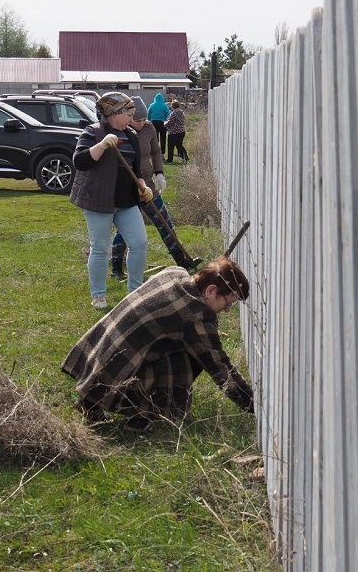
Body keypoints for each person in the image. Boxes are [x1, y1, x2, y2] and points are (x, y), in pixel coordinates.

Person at [62, 256, 254, 432]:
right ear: (211, 291)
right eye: (229, 302)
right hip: (116, 380)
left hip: (96, 361)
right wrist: (253, 405)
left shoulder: (175, 273)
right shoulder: (196, 315)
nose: (228, 310)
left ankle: (90, 403)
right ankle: (141, 417)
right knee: (195, 357)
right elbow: (218, 366)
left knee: (180, 346)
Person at [70, 92, 153, 310]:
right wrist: (103, 145)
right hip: (99, 200)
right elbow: (80, 162)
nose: (131, 118)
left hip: (127, 202)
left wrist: (143, 186)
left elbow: (136, 169)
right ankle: (98, 296)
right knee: (100, 248)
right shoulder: (92, 132)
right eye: (128, 114)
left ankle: (134, 294)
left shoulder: (131, 135)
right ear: (114, 113)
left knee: (139, 243)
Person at [110, 97, 202, 277]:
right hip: (128, 188)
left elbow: (156, 151)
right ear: (129, 118)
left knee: (164, 221)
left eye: (144, 120)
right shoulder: (121, 132)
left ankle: (181, 259)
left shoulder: (149, 129)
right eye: (138, 120)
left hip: (148, 186)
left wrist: (159, 172)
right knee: (125, 229)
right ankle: (116, 267)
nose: (141, 123)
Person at [165, 100, 189, 164]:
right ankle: (185, 157)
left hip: (173, 132)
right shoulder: (181, 112)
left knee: (170, 146)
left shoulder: (173, 113)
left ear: (173, 106)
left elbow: (170, 122)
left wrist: (164, 124)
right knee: (179, 145)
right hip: (181, 131)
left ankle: (170, 160)